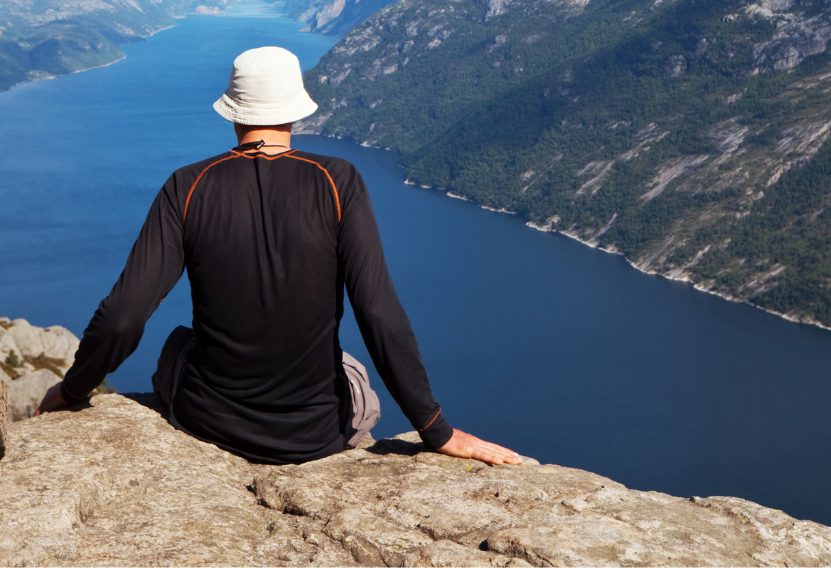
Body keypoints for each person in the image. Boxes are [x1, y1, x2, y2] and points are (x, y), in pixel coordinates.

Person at [35, 46, 520, 467]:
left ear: (232, 110)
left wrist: (74, 390)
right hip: (320, 432)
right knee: (349, 365)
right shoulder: (338, 181)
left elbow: (122, 317)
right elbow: (378, 313)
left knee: (177, 343)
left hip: (209, 422)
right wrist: (435, 428)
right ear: (296, 110)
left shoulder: (187, 185)